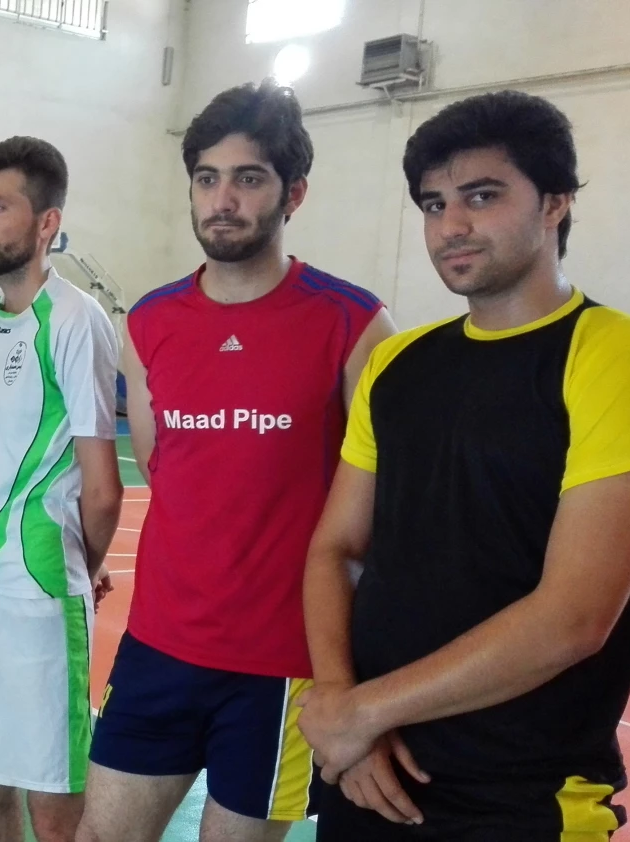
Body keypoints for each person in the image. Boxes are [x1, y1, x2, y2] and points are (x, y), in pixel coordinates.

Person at [299, 90, 630, 840]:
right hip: (370, 773)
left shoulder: (615, 355)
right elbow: (337, 548)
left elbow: (574, 618)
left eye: (482, 197)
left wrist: (359, 711)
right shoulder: (397, 364)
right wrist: (339, 703)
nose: (451, 225)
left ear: (555, 202)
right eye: (434, 204)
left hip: (521, 794)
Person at [79, 82, 396, 842]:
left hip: (285, 668)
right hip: (158, 647)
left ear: (294, 193)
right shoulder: (150, 322)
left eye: (248, 178)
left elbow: (383, 512)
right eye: (207, 178)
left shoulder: (355, 324)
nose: (223, 200)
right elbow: (161, 465)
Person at [0, 136, 123, 842]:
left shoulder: (76, 321)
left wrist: (79, 562)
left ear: (47, 223)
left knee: (53, 806)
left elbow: (103, 488)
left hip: (39, 592)